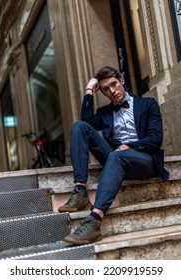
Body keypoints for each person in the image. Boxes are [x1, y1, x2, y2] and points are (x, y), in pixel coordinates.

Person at [58, 66, 169, 245]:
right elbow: (87, 123)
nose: (112, 91)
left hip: (144, 159)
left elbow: (156, 139)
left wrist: (129, 145)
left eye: (114, 84)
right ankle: (80, 190)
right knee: (79, 126)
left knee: (117, 156)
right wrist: (88, 89)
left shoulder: (148, 104)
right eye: (106, 89)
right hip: (115, 157)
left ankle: (94, 219)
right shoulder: (105, 113)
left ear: (122, 81)